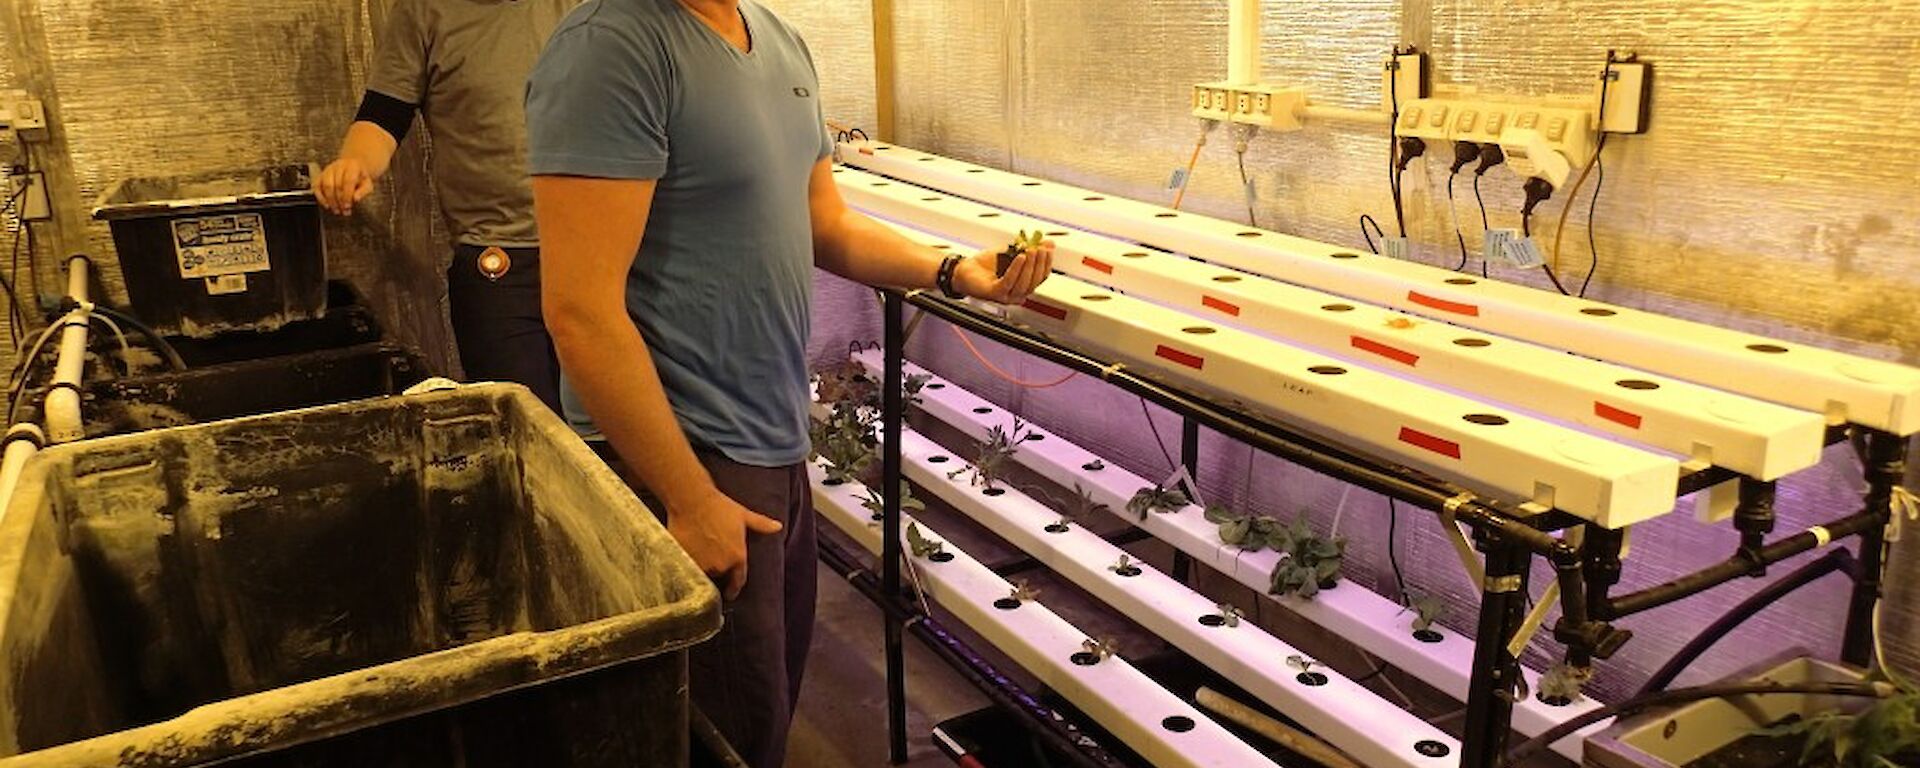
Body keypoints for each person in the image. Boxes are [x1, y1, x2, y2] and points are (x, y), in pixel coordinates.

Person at [523, 1, 1053, 764]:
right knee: (717, 736)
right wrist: (688, 497)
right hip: (689, 456)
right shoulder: (611, 47)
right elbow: (579, 312)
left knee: (760, 715)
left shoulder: (777, 39)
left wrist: (951, 271)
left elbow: (824, 222)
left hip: (771, 441)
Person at [313, 0, 576, 411]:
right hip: (498, 265)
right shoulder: (423, 11)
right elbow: (382, 115)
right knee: (527, 430)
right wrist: (354, 163)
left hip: (601, 255)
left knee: (618, 438)